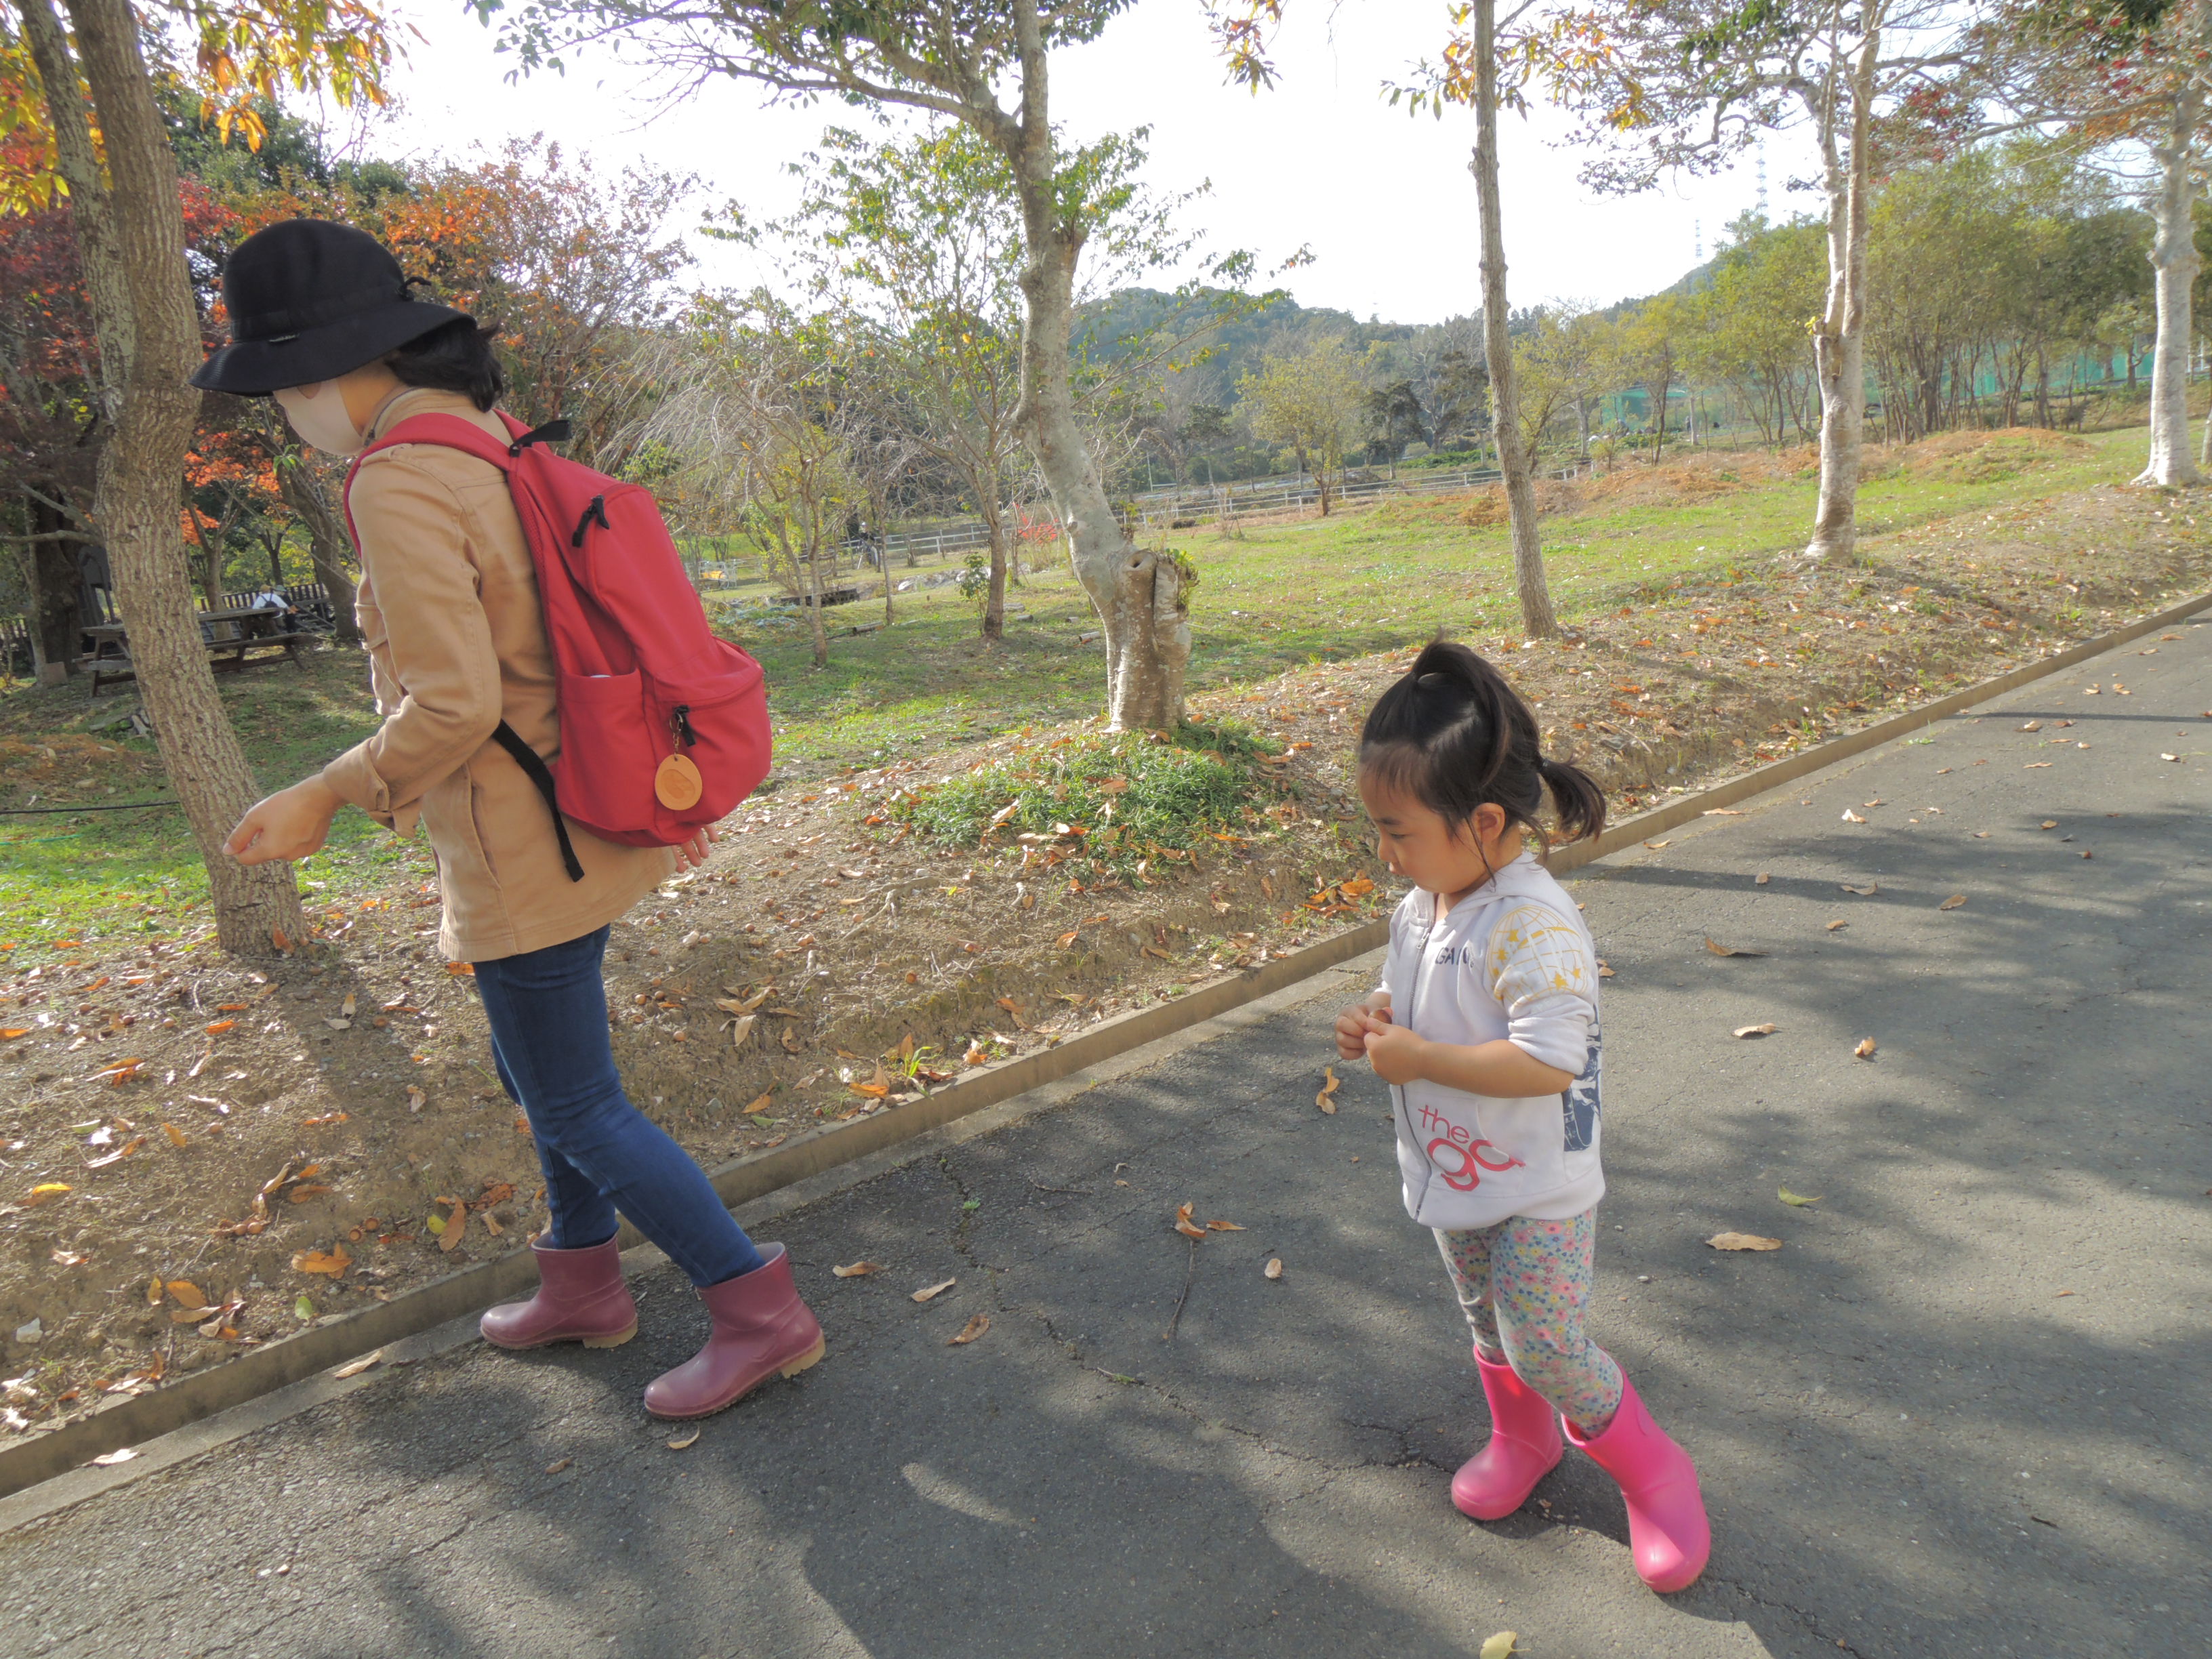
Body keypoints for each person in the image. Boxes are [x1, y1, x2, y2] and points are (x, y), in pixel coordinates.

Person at [199, 219, 823, 1420]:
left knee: (573, 1100)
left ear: (328, 372)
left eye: (280, 388)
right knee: (535, 1071)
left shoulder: (397, 475)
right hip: (585, 802)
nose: (284, 413)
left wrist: (324, 792)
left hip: (519, 837)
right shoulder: (483, 434)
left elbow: (453, 702)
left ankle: (757, 1309)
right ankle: (582, 1280)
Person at [1334, 640, 1709, 1593]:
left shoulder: (1532, 925)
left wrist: (1421, 1060)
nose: (1385, 853)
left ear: (1486, 821)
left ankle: (1655, 1470)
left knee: (1547, 1343)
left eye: (1398, 831)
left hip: (1539, 1183)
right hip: (1457, 1166)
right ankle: (1524, 1440)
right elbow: (1416, 986)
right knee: (1486, 1321)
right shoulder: (1428, 899)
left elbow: (1550, 1060)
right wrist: (1379, 1015)